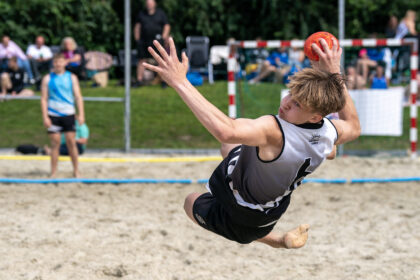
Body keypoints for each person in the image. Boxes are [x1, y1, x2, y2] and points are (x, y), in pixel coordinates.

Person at [144, 38, 360, 248]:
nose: (285, 104)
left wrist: (180, 81)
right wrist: (334, 73)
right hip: (272, 211)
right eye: (290, 95)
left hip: (242, 213)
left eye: (296, 104)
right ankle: (279, 237)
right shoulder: (328, 130)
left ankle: (275, 241)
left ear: (314, 116)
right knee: (232, 148)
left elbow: (225, 131)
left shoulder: (273, 130)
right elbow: (354, 127)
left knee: (190, 201)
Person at [40, 53, 85, 178]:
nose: (58, 64)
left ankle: (76, 171)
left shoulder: (71, 77)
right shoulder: (48, 78)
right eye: (56, 62)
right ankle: (53, 172)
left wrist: (81, 114)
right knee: (55, 144)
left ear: (65, 63)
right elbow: (43, 99)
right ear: (53, 64)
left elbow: (78, 97)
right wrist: (45, 117)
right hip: (53, 114)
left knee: (71, 143)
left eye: (60, 61)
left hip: (68, 114)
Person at [133, 0, 170, 86]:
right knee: (141, 60)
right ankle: (139, 80)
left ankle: (163, 81)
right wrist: (137, 39)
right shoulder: (141, 14)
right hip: (143, 41)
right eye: (147, 3)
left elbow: (167, 26)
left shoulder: (160, 13)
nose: (149, 4)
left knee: (160, 60)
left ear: (155, 4)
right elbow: (137, 27)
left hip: (157, 41)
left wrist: (163, 37)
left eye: (150, 2)